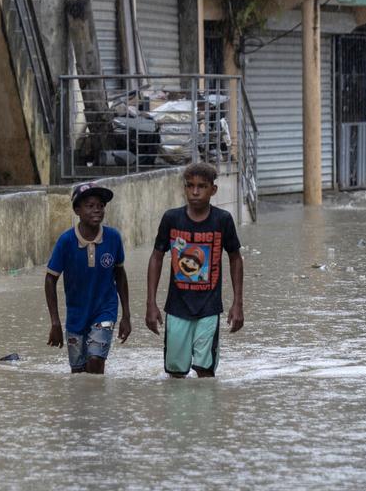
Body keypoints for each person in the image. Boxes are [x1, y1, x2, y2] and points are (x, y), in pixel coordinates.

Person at [145, 162, 244, 378]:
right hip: (177, 307)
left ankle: (206, 413)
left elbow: (235, 258)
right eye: (190, 186)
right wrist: (151, 303)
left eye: (202, 186)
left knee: (204, 372)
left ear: (213, 190)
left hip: (209, 307)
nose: (195, 192)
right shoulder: (172, 219)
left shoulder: (222, 220)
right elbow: (156, 257)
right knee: (176, 373)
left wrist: (237, 303)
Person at [45, 182, 131, 374]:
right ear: (77, 210)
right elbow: (50, 279)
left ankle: (99, 404)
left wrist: (126, 315)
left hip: (105, 310)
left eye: (100, 206)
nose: (97, 210)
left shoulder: (113, 238)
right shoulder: (66, 241)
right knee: (78, 371)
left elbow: (120, 275)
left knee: (95, 361)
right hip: (76, 315)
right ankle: (84, 405)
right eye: (90, 206)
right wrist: (55, 322)